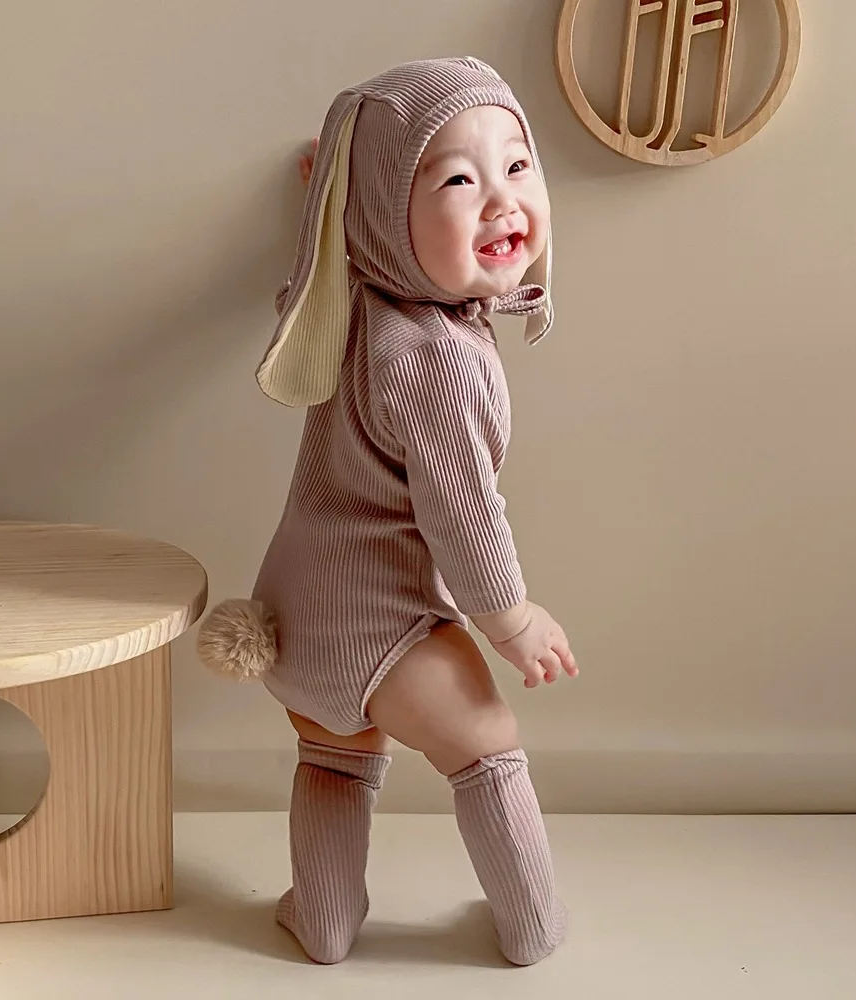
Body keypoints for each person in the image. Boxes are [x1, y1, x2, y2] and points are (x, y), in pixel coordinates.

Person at [198, 57, 580, 967]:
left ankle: (324, 920)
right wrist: (512, 620)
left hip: (295, 608)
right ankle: (531, 925)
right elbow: (463, 514)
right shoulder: (436, 359)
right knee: (485, 745)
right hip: (385, 621)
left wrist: (328, 197)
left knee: (336, 758)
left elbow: (303, 279)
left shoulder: (349, 301)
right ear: (380, 213)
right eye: (458, 181)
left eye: (516, 165)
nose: (502, 201)